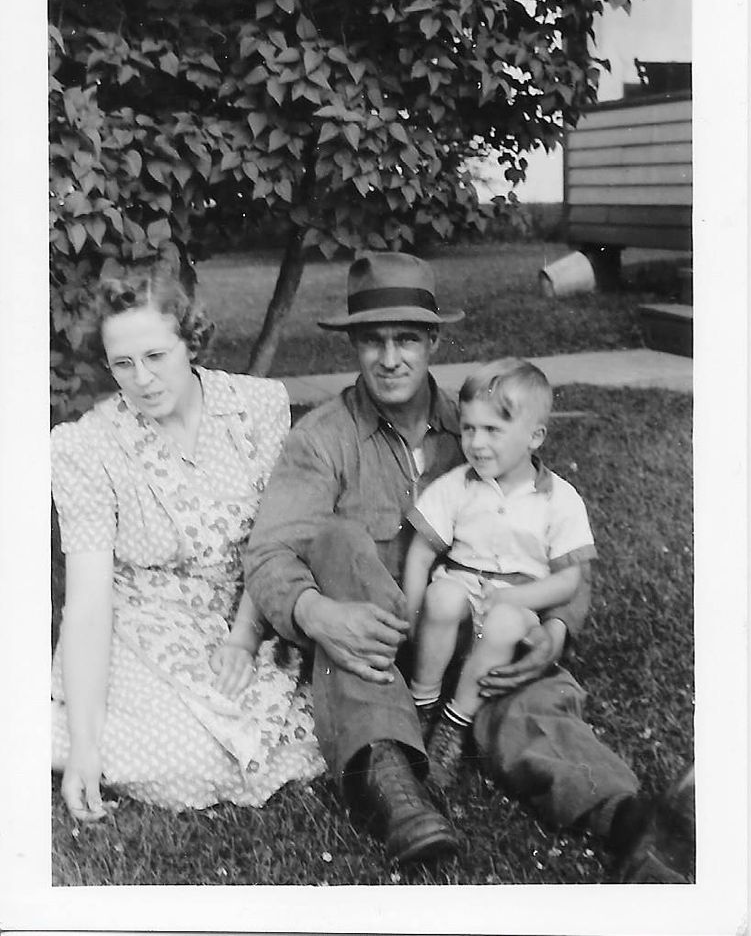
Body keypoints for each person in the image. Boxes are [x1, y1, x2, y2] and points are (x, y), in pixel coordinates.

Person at [245, 251, 694, 880]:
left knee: (525, 703)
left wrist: (559, 627)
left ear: (433, 341)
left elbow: (556, 551)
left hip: (470, 637)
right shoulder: (321, 438)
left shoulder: (482, 428)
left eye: (407, 338)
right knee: (342, 541)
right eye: (372, 340)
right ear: (353, 346)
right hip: (368, 642)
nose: (390, 356)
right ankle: (393, 782)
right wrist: (315, 612)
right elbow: (268, 552)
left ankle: (627, 820)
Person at [51, 264, 325, 820]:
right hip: (145, 624)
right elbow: (87, 603)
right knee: (192, 760)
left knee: (317, 728)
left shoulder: (256, 408)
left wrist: (246, 635)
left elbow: (276, 538)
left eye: (156, 357)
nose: (142, 380)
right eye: (122, 364)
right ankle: (67, 736)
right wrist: (84, 748)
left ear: (190, 341)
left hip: (249, 613)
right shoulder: (88, 447)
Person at [404, 359, 595, 788]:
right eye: (469, 428)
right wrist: (412, 618)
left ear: (535, 436)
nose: (476, 442)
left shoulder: (559, 499)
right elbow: (420, 554)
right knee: (443, 596)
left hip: (516, 603)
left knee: (506, 621)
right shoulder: (458, 485)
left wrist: (513, 599)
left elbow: (569, 579)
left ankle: (456, 722)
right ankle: (423, 701)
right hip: (459, 591)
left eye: (493, 430)